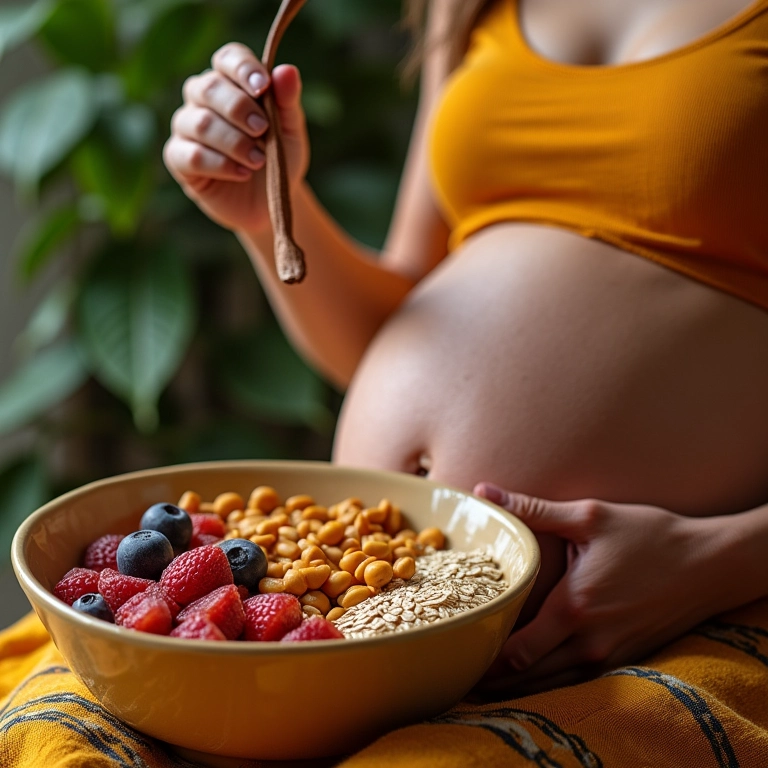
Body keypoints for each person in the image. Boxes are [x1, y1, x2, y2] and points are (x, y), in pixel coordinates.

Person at [163, 0, 768, 695]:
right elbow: (387, 327)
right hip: (345, 625)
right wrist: (266, 210)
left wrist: (718, 561)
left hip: (640, 643)